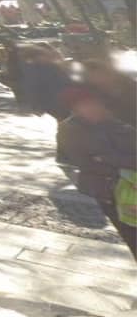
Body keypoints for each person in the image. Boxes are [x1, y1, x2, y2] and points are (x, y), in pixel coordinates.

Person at [56, 87, 137, 261]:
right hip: (111, 192)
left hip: (126, 182)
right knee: (132, 234)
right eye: (85, 105)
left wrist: (109, 158)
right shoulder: (70, 129)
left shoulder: (119, 121)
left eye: (96, 102)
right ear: (74, 109)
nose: (94, 107)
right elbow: (84, 162)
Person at [80, 58, 137, 127]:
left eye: (99, 74)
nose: (98, 79)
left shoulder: (128, 84)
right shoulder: (95, 98)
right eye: (91, 76)